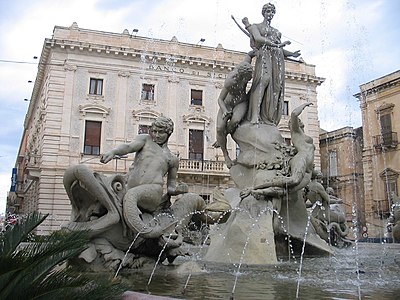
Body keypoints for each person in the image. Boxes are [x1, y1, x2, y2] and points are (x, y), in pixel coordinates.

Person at [100, 116, 188, 232]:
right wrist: (114, 152)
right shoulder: (145, 140)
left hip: (152, 193)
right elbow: (128, 147)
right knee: (104, 190)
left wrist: (177, 190)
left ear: (169, 133)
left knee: (131, 195)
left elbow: (170, 187)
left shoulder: (172, 159)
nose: (156, 135)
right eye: (154, 131)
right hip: (130, 188)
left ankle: (145, 231)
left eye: (160, 132)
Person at [240, 103, 315, 202]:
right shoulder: (296, 132)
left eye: (299, 121)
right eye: (297, 121)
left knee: (287, 191)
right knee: (293, 180)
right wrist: (304, 105)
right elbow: (294, 114)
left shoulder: (302, 134)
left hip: (308, 171)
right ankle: (255, 188)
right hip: (301, 159)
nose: (299, 121)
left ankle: (258, 192)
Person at [242, 3, 300, 125]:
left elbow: (280, 50)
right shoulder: (255, 27)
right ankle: (254, 115)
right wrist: (277, 45)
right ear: (263, 12)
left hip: (277, 60)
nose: (270, 14)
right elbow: (258, 39)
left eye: (272, 12)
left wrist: (292, 54)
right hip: (264, 56)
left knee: (276, 87)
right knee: (263, 81)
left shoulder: (276, 32)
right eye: (268, 11)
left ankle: (269, 117)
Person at [214, 51, 254, 168]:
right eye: (245, 79)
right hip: (227, 104)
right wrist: (225, 110)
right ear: (239, 75)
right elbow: (220, 99)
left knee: (235, 120)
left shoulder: (245, 68)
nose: (246, 81)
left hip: (241, 102)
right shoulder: (230, 81)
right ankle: (226, 155)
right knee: (219, 127)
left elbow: (249, 56)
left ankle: (222, 137)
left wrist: (254, 53)